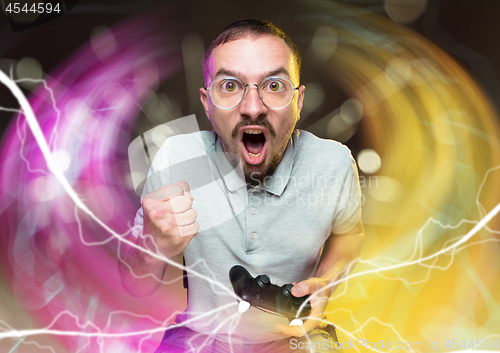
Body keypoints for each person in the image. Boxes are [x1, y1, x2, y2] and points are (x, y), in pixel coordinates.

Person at [118, 19, 364, 352]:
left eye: (274, 86)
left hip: (295, 339)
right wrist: (152, 243)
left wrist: (325, 283)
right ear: (207, 103)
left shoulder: (332, 163)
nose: (252, 108)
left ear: (299, 100)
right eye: (230, 86)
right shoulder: (178, 158)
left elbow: (350, 232)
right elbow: (136, 284)